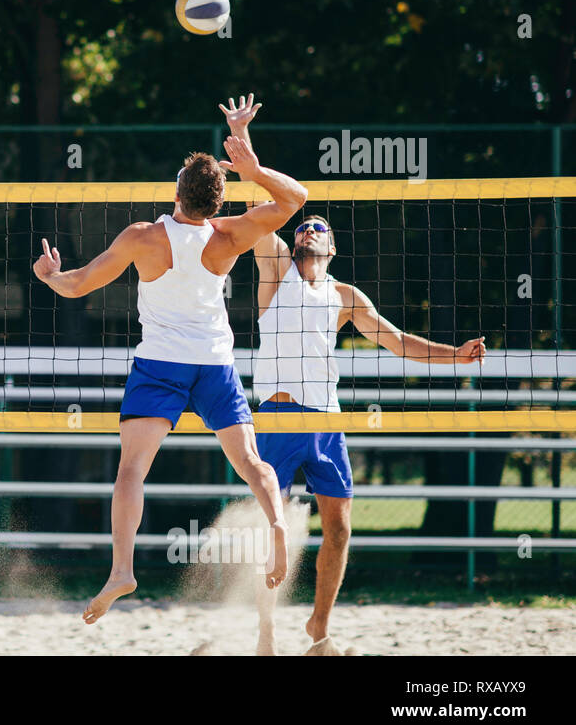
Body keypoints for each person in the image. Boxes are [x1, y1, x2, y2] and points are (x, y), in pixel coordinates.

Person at [222, 94, 487, 654]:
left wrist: (454, 355)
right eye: (305, 228)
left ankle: (319, 628)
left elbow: (398, 342)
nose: (309, 231)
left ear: (333, 247)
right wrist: (245, 146)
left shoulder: (345, 296)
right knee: (275, 532)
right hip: (276, 418)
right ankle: (266, 631)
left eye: (319, 229)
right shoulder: (274, 269)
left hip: (327, 420)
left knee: (338, 528)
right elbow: (267, 210)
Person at [33, 112, 309, 624]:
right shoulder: (230, 236)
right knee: (250, 462)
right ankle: (277, 528)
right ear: (218, 202)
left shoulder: (144, 236)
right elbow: (296, 200)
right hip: (213, 364)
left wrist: (50, 276)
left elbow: (76, 286)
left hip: (160, 365)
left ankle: (122, 569)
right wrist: (253, 164)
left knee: (132, 471)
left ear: (176, 195)